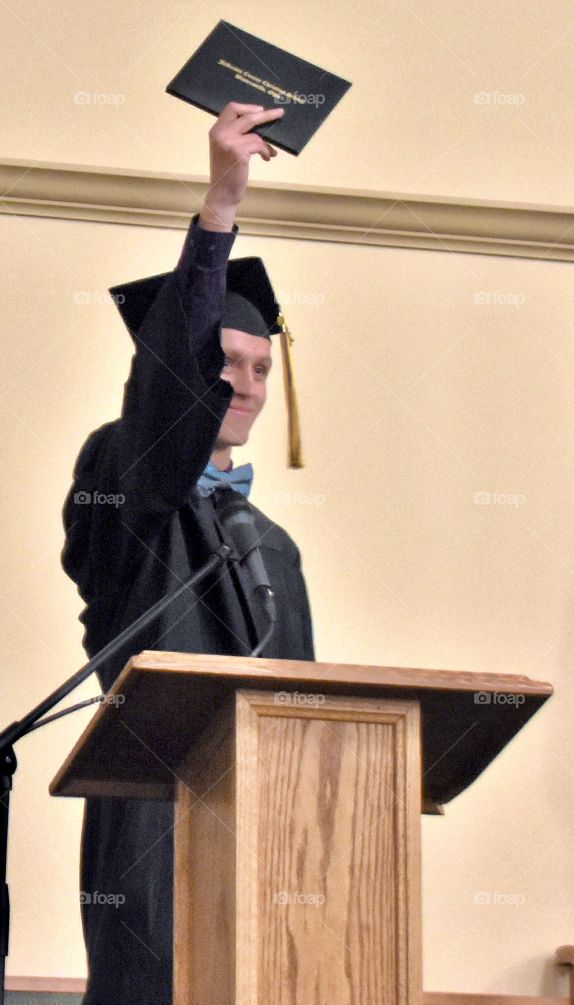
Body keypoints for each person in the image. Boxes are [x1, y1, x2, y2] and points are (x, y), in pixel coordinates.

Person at [61, 102, 315, 1004]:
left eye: (259, 368)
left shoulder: (269, 544)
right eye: (224, 359)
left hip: (278, 833)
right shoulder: (122, 478)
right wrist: (221, 202)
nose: (242, 383)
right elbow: (164, 408)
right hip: (157, 815)